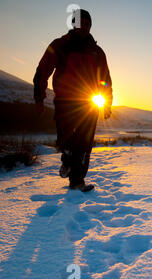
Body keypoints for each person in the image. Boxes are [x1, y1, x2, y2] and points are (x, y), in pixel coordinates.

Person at [33, 9, 112, 192]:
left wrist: (107, 102)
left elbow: (105, 79)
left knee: (84, 144)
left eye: (87, 24)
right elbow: (42, 71)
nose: (83, 27)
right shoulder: (60, 45)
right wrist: (39, 98)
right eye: (80, 23)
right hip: (65, 102)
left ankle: (77, 181)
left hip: (89, 104)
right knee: (65, 140)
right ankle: (67, 158)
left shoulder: (97, 52)